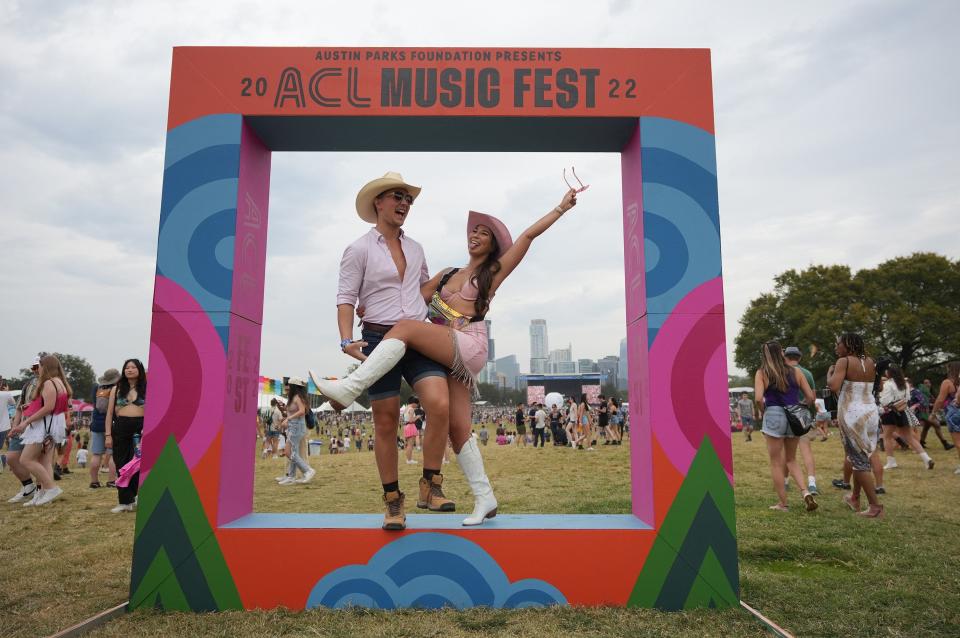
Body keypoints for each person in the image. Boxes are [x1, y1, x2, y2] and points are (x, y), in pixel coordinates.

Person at [315, 180, 580, 525]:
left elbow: (527, 237)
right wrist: (368, 304)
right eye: (473, 232)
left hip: (467, 345)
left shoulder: (491, 273)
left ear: (495, 244)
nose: (475, 237)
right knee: (457, 425)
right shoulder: (446, 274)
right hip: (440, 348)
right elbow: (411, 296)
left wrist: (561, 208)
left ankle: (350, 387)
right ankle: (485, 498)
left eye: (484, 234)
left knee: (406, 327)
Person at [312, 172, 454, 531]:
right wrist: (346, 340)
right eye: (397, 196)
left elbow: (421, 293)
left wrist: (444, 291)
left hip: (418, 336)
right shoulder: (358, 249)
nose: (404, 203)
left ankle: (430, 486)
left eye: (408, 198)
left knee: (439, 405)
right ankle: (393, 501)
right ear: (379, 202)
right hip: (378, 338)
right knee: (386, 420)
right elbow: (345, 299)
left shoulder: (417, 247)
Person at [754, 341, 818, 512]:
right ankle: (805, 492)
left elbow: (759, 398)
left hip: (773, 414)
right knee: (791, 459)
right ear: (781, 353)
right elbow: (810, 396)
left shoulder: (762, 373)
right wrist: (801, 407)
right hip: (794, 415)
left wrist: (763, 412)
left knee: (776, 463)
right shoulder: (795, 371)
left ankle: (783, 503)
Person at [827, 333, 883, 518]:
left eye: (839, 344)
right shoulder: (870, 361)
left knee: (858, 461)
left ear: (848, 345)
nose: (836, 347)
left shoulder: (844, 361)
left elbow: (834, 386)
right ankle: (855, 497)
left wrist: (830, 373)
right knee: (861, 457)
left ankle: (875, 507)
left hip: (852, 414)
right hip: (871, 413)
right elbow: (879, 387)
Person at [9, 354, 72, 506]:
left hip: (43, 426)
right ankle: (42, 493)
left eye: (40, 366)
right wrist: (30, 408)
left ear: (45, 366)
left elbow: (48, 407)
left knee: (26, 459)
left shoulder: (49, 383)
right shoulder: (60, 382)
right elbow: (52, 406)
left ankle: (50, 488)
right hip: (51, 424)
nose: (38, 369)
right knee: (44, 461)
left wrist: (25, 422)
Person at [104, 359, 146, 513]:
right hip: (120, 428)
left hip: (141, 429)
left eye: (133, 367)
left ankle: (134, 495)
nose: (129, 370)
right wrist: (108, 434)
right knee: (121, 464)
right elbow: (109, 414)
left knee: (137, 464)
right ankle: (124, 502)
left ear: (139, 370)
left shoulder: (148, 388)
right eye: (127, 367)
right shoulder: (117, 389)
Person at [879, 364, 934, 470]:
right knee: (910, 437)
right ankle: (927, 459)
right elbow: (908, 398)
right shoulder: (905, 384)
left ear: (889, 373)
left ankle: (891, 462)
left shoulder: (888, 384)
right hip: (903, 410)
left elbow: (884, 401)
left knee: (887, 437)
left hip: (889, 412)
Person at [784, 346, 819, 495]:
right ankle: (812, 483)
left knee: (788, 453)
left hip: (786, 416)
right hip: (803, 417)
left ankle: (785, 481)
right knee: (806, 451)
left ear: (785, 357)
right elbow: (812, 397)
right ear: (799, 358)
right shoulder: (807, 374)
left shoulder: (781, 372)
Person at [6, 357, 40, 503]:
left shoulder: (49, 383)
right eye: (33, 367)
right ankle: (28, 487)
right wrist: (15, 426)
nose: (35, 370)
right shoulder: (28, 384)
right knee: (12, 458)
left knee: (36, 460)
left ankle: (42, 490)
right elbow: (20, 407)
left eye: (38, 366)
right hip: (22, 425)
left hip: (37, 425)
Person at [277, 378, 316, 485]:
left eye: (289, 385)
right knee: (292, 452)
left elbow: (302, 411)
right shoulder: (294, 397)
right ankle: (291, 476)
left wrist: (288, 419)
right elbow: (293, 411)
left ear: (293, 386)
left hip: (297, 427)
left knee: (289, 452)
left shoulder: (298, 397)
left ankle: (307, 470)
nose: (288, 387)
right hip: (293, 427)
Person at [89, 368, 120, 489]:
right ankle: (111, 480)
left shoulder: (96, 388)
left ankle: (94, 481)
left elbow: (94, 405)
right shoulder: (116, 389)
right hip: (111, 425)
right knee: (113, 454)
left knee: (96, 454)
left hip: (96, 425)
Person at [929, 361, 960, 474]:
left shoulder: (947, 382)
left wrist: (933, 413)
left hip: (954, 412)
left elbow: (940, 400)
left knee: (957, 441)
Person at [402, 398, 419, 465]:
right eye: (416, 404)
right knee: (410, 445)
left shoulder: (406, 408)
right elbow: (411, 420)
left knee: (408, 445)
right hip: (411, 426)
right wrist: (417, 417)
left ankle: (408, 459)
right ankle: (409, 460)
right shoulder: (411, 409)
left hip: (406, 426)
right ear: (414, 403)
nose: (417, 406)